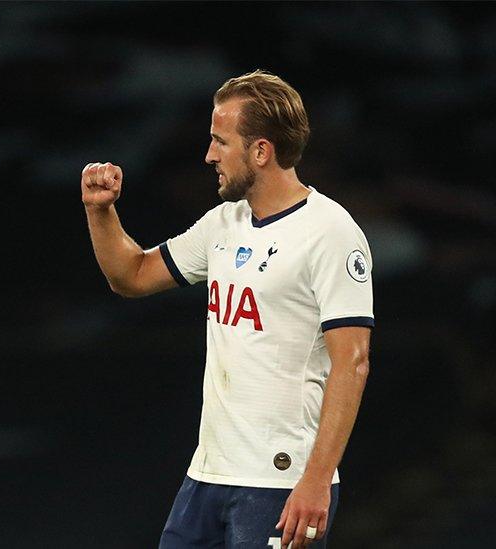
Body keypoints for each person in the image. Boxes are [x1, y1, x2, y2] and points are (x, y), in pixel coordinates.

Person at [81, 70, 373, 548]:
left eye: (220, 141)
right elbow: (131, 276)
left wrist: (317, 480)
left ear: (260, 151)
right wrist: (100, 211)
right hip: (208, 474)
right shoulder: (224, 223)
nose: (209, 155)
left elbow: (353, 360)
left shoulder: (331, 233)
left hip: (281, 483)